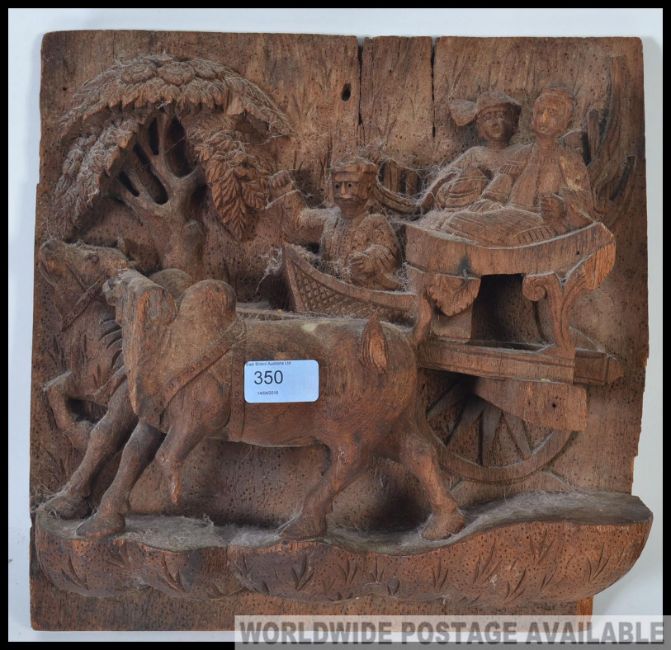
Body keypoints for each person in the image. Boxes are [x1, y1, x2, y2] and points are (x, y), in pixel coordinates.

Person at [435, 85, 594, 245]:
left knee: (525, 234)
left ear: (565, 123)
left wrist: (562, 207)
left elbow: (584, 209)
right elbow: (491, 195)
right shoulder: (521, 154)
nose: (544, 119)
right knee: (456, 221)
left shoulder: (569, 159)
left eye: (552, 114)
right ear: (532, 119)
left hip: (543, 224)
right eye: (540, 112)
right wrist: (494, 208)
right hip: (508, 218)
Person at [272, 158, 402, 290]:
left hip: (358, 290)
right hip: (325, 286)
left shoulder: (375, 222)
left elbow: (390, 254)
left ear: (367, 189)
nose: (342, 192)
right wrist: (286, 190)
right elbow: (299, 223)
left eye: (350, 185)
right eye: (337, 186)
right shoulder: (329, 219)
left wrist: (369, 261)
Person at [419, 90, 523, 220]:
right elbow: (446, 176)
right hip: (471, 211)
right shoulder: (475, 153)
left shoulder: (522, 151)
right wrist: (424, 204)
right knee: (472, 175)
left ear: (514, 122)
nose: (494, 122)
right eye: (487, 117)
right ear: (479, 127)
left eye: (500, 115)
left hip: (504, 210)